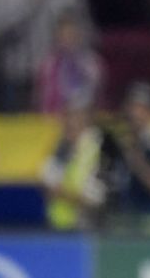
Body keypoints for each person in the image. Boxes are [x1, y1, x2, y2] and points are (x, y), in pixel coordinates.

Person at [99, 81, 150, 225]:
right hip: (120, 222)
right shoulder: (116, 145)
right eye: (132, 107)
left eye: (142, 109)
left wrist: (137, 162)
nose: (135, 114)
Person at [41, 93, 106, 230]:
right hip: (58, 225)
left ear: (86, 118)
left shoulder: (98, 147)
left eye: (76, 116)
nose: (70, 121)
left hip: (89, 227)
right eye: (68, 115)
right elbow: (47, 182)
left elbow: (98, 198)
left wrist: (66, 195)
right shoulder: (61, 146)